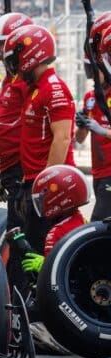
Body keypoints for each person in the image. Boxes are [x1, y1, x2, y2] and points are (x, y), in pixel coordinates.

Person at [3, 25, 75, 258]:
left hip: (49, 189)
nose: (14, 64)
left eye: (16, 57)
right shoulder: (35, 88)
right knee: (30, 250)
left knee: (43, 251)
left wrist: (45, 188)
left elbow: (62, 138)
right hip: (34, 183)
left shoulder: (53, 89)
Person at [0, 12, 33, 294]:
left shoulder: (29, 83)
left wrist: (24, 179)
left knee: (23, 240)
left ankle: (25, 300)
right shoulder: (10, 80)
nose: (0, 53)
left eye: (5, 45)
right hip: (12, 172)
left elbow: (32, 131)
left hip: (23, 174)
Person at [18, 165, 89, 275]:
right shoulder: (83, 222)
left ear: (55, 198)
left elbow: (52, 276)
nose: (41, 204)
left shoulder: (56, 232)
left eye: (41, 199)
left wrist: (45, 265)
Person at [78, 20, 111, 222]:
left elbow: (100, 130)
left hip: (110, 172)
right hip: (97, 172)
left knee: (98, 223)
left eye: (93, 69)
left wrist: (102, 130)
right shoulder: (90, 97)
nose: (90, 74)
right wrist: (81, 125)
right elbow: (80, 139)